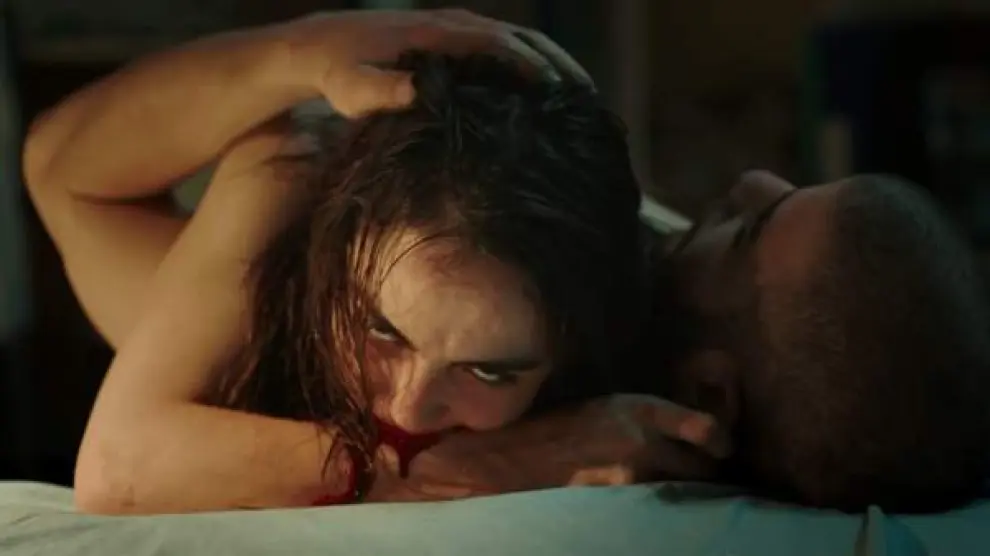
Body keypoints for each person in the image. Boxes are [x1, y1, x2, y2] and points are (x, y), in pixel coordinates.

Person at [23, 10, 725, 514]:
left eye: (490, 371)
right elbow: (119, 466)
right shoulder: (280, 215)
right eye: (381, 328)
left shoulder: (620, 316)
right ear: (331, 248)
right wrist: (300, 56)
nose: (411, 406)